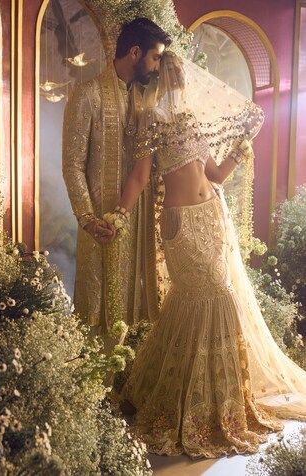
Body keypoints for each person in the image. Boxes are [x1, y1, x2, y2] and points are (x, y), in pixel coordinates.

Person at [108, 51, 306, 459]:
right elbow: (141, 176)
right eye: (173, 74)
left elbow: (213, 177)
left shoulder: (194, 122)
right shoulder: (150, 121)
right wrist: (120, 212)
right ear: (162, 79)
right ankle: (189, 407)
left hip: (212, 218)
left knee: (216, 298)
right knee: (204, 299)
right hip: (182, 224)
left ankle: (221, 405)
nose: (181, 81)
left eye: (182, 75)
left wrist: (239, 151)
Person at [62, 18, 171, 335]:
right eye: (155, 57)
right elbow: (72, 165)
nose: (156, 67)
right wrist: (88, 219)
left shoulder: (146, 101)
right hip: (99, 224)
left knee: (137, 312)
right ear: (135, 53)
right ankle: (97, 384)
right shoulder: (87, 96)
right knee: (96, 315)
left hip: (139, 225)